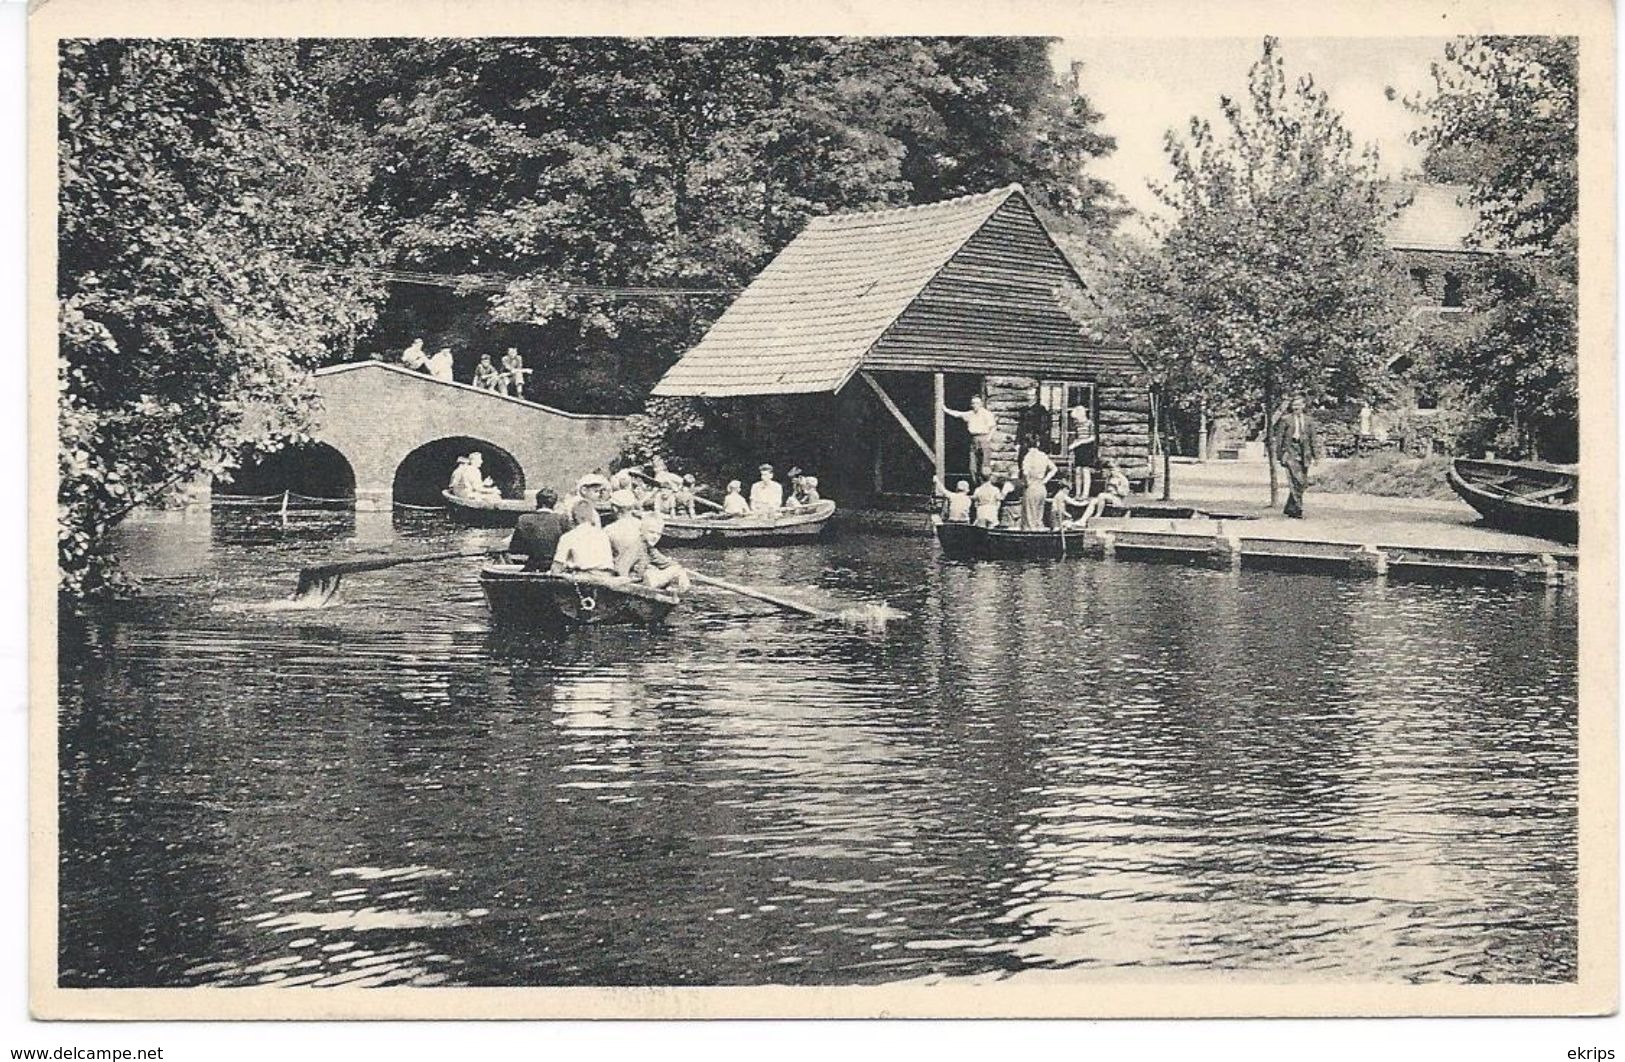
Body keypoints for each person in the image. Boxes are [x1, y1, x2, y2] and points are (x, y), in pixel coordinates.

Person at [1270, 394, 1323, 519]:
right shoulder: (1285, 419)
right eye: (1294, 405)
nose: (1296, 407)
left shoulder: (1309, 420)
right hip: (1290, 452)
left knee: (1302, 482)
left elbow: (1313, 439)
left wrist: (1316, 456)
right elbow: (1279, 439)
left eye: (1299, 405)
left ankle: (1290, 508)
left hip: (1304, 453)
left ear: (1304, 406)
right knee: (1296, 480)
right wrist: (1280, 455)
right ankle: (1298, 508)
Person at [619, 514, 691, 594]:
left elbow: (665, 562)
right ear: (641, 531)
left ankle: (678, 589)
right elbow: (621, 569)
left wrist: (678, 567)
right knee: (676, 570)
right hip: (642, 582)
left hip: (645, 579)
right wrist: (629, 583)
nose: (655, 537)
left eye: (658, 534)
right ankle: (681, 592)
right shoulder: (635, 546)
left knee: (676, 569)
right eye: (651, 532)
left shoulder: (649, 548)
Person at [551, 499, 616, 575]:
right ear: (592, 517)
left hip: (582, 579)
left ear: (573, 517)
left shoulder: (568, 537)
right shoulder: (603, 535)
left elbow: (557, 567)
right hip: (606, 577)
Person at [942, 395, 998, 481]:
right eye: (973, 403)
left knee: (985, 464)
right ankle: (976, 483)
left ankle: (985, 484)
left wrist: (988, 438)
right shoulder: (970, 414)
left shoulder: (987, 414)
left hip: (984, 439)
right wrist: (945, 409)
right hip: (974, 439)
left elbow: (993, 427)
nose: (974, 405)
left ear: (981, 404)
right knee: (973, 466)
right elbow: (958, 414)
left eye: (977, 403)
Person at [508, 488, 563, 570]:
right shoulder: (562, 520)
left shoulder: (524, 519)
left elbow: (514, 548)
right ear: (554, 504)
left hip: (532, 565)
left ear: (537, 502)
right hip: (554, 567)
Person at [1074, 458, 1131, 526]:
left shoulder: (1123, 479)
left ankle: (1098, 514)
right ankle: (1083, 520)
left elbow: (1125, 493)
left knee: (1101, 495)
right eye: (1110, 470)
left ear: (1118, 469)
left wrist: (1117, 487)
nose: (1112, 472)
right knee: (1093, 501)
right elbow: (1106, 490)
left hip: (1118, 499)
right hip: (1108, 497)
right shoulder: (1109, 478)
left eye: (1113, 470)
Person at [604, 489, 647, 572]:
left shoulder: (609, 530)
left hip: (619, 567)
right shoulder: (641, 524)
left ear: (614, 508)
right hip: (639, 566)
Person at [1019, 444, 1058, 531]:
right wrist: (1045, 480)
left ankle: (1031, 534)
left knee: (1030, 515)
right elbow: (1054, 469)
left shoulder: (1028, 457)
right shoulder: (1043, 455)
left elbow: (1025, 472)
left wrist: (1026, 482)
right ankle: (1038, 530)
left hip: (1032, 485)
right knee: (1039, 514)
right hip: (1041, 486)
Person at [1067, 401, 1097, 495]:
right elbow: (1076, 437)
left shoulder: (1089, 424)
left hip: (1087, 449)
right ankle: (1078, 493)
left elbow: (1092, 437)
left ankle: (1085, 493)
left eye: (1076, 418)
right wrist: (1073, 445)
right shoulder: (1077, 425)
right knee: (1077, 471)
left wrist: (1079, 442)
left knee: (1085, 471)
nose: (1075, 420)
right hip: (1079, 449)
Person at [1016, 394, 1050, 464]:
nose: (1030, 397)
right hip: (1024, 439)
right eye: (1028, 395)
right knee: (1023, 459)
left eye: (1032, 396)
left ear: (1036, 398)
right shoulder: (1023, 410)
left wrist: (1038, 437)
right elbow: (1020, 426)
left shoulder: (1041, 409)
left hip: (1036, 438)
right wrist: (1017, 441)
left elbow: (1044, 425)